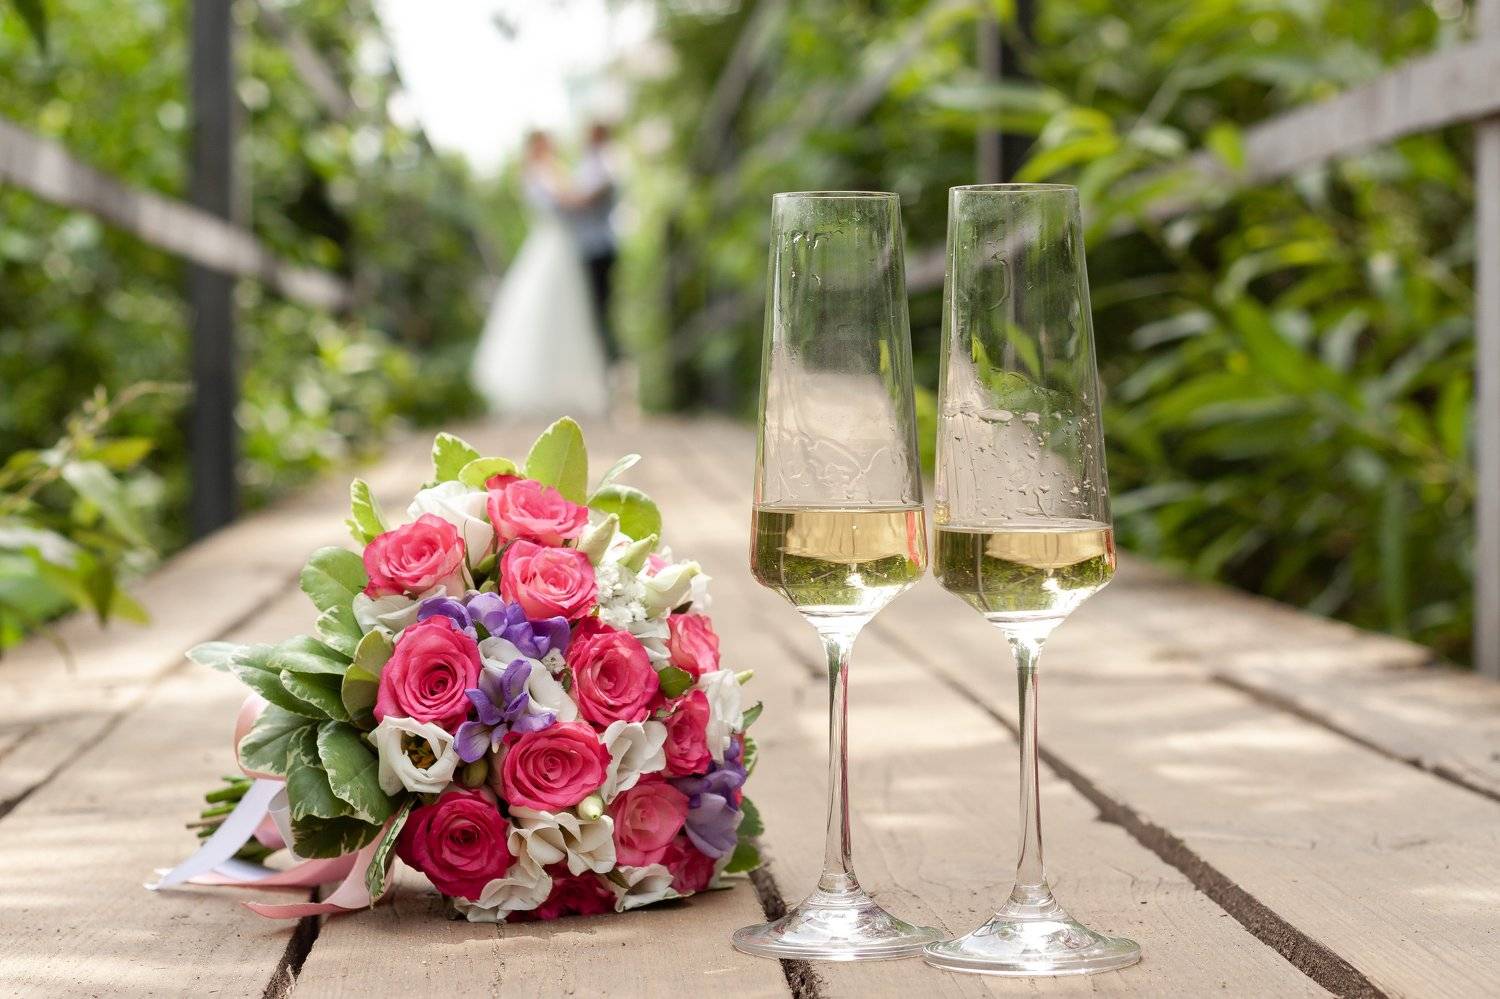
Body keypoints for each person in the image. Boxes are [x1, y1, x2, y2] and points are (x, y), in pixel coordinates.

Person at [472, 131, 609, 418]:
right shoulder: (542, 173)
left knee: (561, 317)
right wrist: (596, 190)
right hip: (552, 246)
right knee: (548, 314)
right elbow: (569, 202)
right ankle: (543, 390)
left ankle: (560, 387)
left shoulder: (544, 171)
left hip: (558, 248)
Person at [569, 122, 621, 364]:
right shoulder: (588, 164)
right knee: (593, 308)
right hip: (589, 246)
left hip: (599, 246)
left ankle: (611, 360)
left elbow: (591, 197)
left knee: (600, 307)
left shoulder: (607, 163)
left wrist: (572, 199)